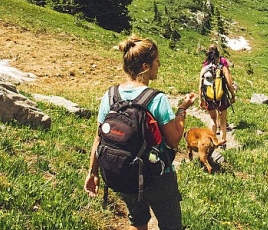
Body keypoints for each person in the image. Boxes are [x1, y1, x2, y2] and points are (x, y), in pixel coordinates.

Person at [84, 35, 196, 230]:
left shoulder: (110, 95)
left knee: (138, 221)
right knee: (171, 225)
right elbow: (173, 140)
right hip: (157, 175)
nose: (159, 64)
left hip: (123, 172)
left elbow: (99, 137)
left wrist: (93, 172)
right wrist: (182, 110)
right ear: (145, 66)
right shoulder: (156, 99)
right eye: (156, 61)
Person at [198, 44, 236, 143]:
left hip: (209, 98)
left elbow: (200, 86)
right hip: (221, 98)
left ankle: (212, 141)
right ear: (218, 54)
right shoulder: (223, 67)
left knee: (213, 119)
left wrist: (201, 99)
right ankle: (223, 142)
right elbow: (228, 83)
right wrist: (233, 95)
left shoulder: (204, 68)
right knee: (223, 122)